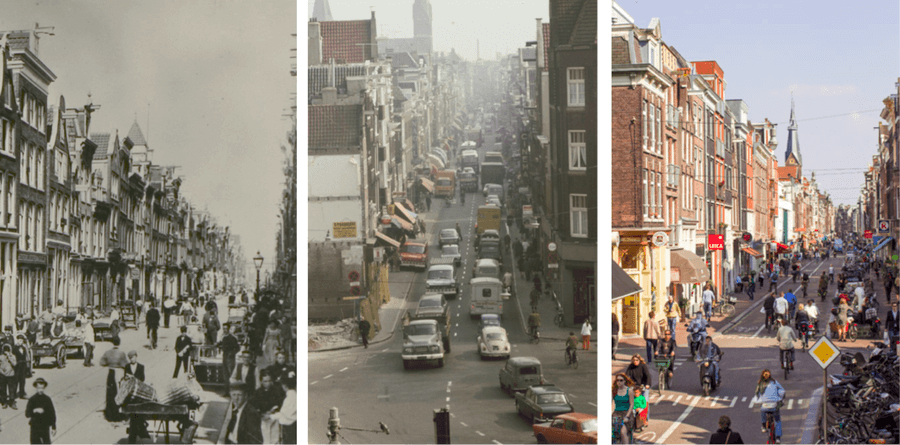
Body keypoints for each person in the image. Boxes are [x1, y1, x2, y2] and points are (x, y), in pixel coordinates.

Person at [251, 369, 286, 445]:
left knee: (275, 439)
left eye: (269, 381)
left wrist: (274, 411)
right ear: (261, 382)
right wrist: (261, 413)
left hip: (274, 418)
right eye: (265, 381)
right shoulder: (258, 393)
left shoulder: (277, 391)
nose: (268, 383)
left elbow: (281, 404)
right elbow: (254, 406)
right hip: (263, 419)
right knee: (266, 440)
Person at [99, 336, 128, 422]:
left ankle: (110, 414)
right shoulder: (121, 353)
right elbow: (125, 365)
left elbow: (102, 362)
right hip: (119, 373)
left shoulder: (108, 352)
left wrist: (110, 363)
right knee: (119, 393)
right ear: (119, 343)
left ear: (112, 343)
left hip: (111, 372)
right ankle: (118, 414)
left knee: (110, 393)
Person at [754, 369, 785, 444]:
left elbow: (757, 394)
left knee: (762, 410)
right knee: (777, 420)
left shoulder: (760, 383)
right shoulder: (774, 382)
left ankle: (764, 426)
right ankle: (778, 438)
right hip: (774, 405)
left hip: (765, 406)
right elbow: (782, 391)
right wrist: (779, 397)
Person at [268, 369, 297, 445]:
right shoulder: (292, 395)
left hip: (289, 427)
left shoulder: (290, 397)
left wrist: (270, 416)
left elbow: (285, 414)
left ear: (284, 385)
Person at [25, 378, 55, 444]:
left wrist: (53, 427)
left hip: (45, 426)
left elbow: (52, 414)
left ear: (44, 388)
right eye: (38, 388)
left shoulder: (47, 399)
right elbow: (27, 414)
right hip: (35, 426)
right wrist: (34, 410)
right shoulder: (32, 399)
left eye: (42, 388)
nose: (40, 390)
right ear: (36, 387)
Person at [612, 373, 635, 445]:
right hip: (616, 414)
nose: (619, 382)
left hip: (627, 413)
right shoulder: (614, 391)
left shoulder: (629, 391)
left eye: (621, 380)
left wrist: (627, 416)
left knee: (622, 432)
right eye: (617, 380)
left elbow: (631, 404)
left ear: (624, 381)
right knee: (613, 432)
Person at [0, 344, 17, 409]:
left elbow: (14, 364)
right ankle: (4, 402)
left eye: (7, 350)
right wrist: (1, 371)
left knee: (11, 389)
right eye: (5, 350)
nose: (6, 352)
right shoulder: (1, 357)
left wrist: (9, 358)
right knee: (3, 389)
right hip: (2, 375)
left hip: (10, 375)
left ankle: (12, 402)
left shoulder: (13, 356)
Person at [13, 335, 28, 399]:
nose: (20, 341)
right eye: (19, 340)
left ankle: (22, 393)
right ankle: (13, 394)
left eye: (21, 340)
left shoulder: (24, 348)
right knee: (16, 380)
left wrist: (27, 365)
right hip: (17, 366)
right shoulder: (14, 348)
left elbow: (26, 357)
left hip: (23, 365)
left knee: (22, 380)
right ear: (17, 340)